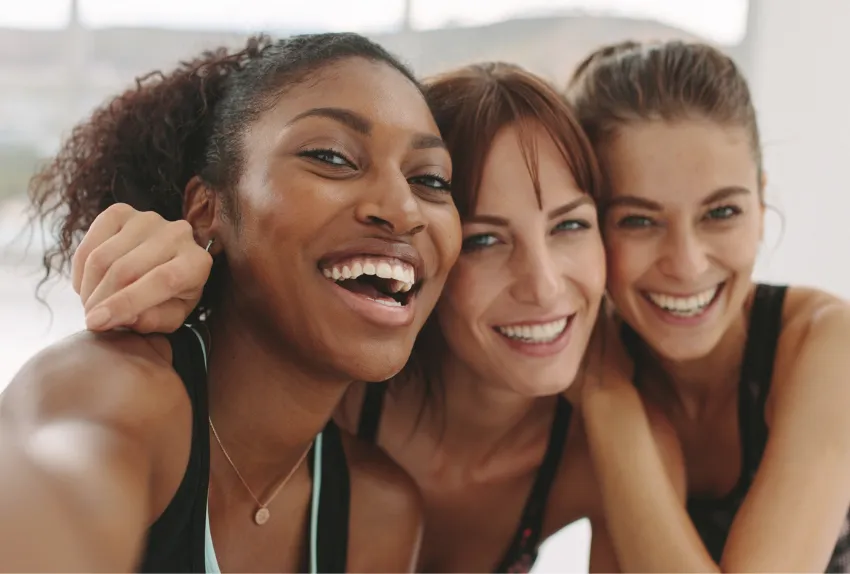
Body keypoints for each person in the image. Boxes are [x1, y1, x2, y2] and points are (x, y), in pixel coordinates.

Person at [60, 60, 686, 572]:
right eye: (486, 240)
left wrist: (609, 398)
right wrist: (181, 274)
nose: (546, 285)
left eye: (571, 225)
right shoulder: (337, 385)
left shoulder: (597, 445)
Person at [2, 32, 463, 572]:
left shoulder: (377, 511)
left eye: (430, 179)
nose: (403, 209)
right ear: (206, 210)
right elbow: (49, 479)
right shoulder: (116, 388)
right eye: (332, 157)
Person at [567, 40, 850, 572]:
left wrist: (610, 407)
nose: (688, 263)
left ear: (761, 208)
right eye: (639, 219)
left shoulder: (830, 342)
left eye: (721, 212)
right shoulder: (567, 358)